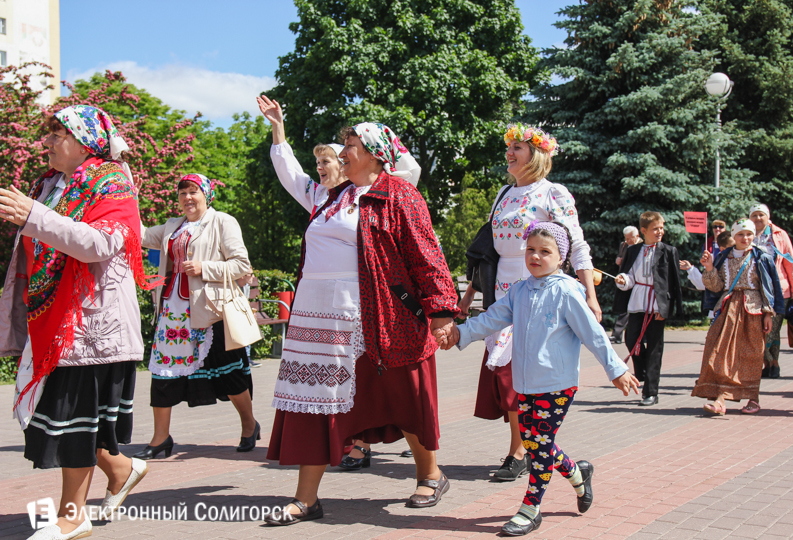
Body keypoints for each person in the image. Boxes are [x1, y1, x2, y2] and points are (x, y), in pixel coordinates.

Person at [258, 96, 458, 525]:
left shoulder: (399, 194)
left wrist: (442, 311)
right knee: (315, 402)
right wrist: (278, 131)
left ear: (373, 153)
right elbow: (292, 176)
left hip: (379, 315)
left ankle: (430, 474)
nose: (343, 152)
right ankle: (307, 500)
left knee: (403, 395)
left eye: (350, 146)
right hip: (318, 317)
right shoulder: (331, 196)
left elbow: (426, 254)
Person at [0, 105, 160, 540]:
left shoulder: (113, 182)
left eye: (58, 134)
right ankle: (121, 469)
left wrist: (34, 215)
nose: (47, 142)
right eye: (49, 133)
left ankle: (73, 517)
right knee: (58, 417)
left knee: (72, 420)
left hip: (91, 323)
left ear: (86, 142)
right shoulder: (51, 185)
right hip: (54, 320)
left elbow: (100, 244)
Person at [441, 220, 638, 536]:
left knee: (539, 447)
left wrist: (616, 370)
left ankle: (530, 509)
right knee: (535, 443)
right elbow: (491, 318)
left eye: (545, 251)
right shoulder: (520, 290)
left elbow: (593, 334)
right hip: (525, 383)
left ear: (561, 257)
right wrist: (460, 333)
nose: (535, 256)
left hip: (557, 384)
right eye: (530, 249)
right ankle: (578, 474)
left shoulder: (567, 291)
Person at [457, 123, 600, 483]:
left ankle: (520, 451)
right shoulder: (504, 193)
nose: (509, 153)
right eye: (509, 147)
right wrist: (470, 294)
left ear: (535, 154)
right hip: (501, 290)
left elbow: (577, 245)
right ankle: (535, 450)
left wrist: (590, 294)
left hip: (538, 292)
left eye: (517, 147)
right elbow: (487, 250)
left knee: (518, 372)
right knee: (505, 373)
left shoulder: (554, 193)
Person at [133, 174, 258, 459]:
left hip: (210, 312)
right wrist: (131, 200)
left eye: (193, 192)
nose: (187, 197)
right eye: (182, 193)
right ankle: (160, 438)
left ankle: (249, 425)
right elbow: (139, 235)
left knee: (229, 373)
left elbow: (242, 265)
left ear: (207, 195)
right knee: (163, 372)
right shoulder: (172, 226)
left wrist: (205, 267)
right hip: (173, 313)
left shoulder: (222, 222)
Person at [692, 219, 783, 415]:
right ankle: (720, 398)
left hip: (753, 310)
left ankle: (753, 398)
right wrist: (709, 268)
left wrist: (768, 313)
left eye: (749, 234)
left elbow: (768, 287)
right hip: (728, 309)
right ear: (734, 236)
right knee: (718, 351)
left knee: (751, 354)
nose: (745, 238)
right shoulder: (724, 257)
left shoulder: (762, 257)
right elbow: (716, 286)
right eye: (741, 234)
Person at [614, 211, 683, 406]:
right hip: (638, 302)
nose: (660, 232)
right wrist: (623, 280)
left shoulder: (668, 251)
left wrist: (665, 308)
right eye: (655, 229)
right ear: (643, 231)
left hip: (657, 305)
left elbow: (673, 282)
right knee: (631, 340)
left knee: (654, 348)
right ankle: (643, 372)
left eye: (661, 228)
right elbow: (630, 276)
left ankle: (651, 392)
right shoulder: (633, 251)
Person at [750, 204, 793, 379]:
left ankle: (773, 364)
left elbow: (790, 261)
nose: (758, 218)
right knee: (757, 330)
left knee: (773, 329)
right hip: (754, 289)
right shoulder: (746, 234)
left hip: (779, 290)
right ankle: (768, 363)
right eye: (754, 215)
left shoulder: (779, 234)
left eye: (761, 215)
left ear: (768, 216)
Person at [612, 226, 641, 344]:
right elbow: (620, 257)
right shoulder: (623, 245)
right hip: (624, 280)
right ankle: (617, 335)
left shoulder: (642, 246)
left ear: (637, 236)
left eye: (630, 239)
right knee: (624, 308)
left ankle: (641, 336)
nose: (628, 241)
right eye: (626, 238)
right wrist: (618, 261)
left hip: (638, 282)